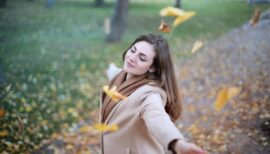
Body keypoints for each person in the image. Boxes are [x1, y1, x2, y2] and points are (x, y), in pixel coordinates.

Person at [100, 34, 205, 154]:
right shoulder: (120, 76)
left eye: (142, 58)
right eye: (133, 50)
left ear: (153, 67)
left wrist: (177, 143)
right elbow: (114, 73)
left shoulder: (149, 94)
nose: (132, 58)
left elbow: (157, 117)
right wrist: (109, 69)